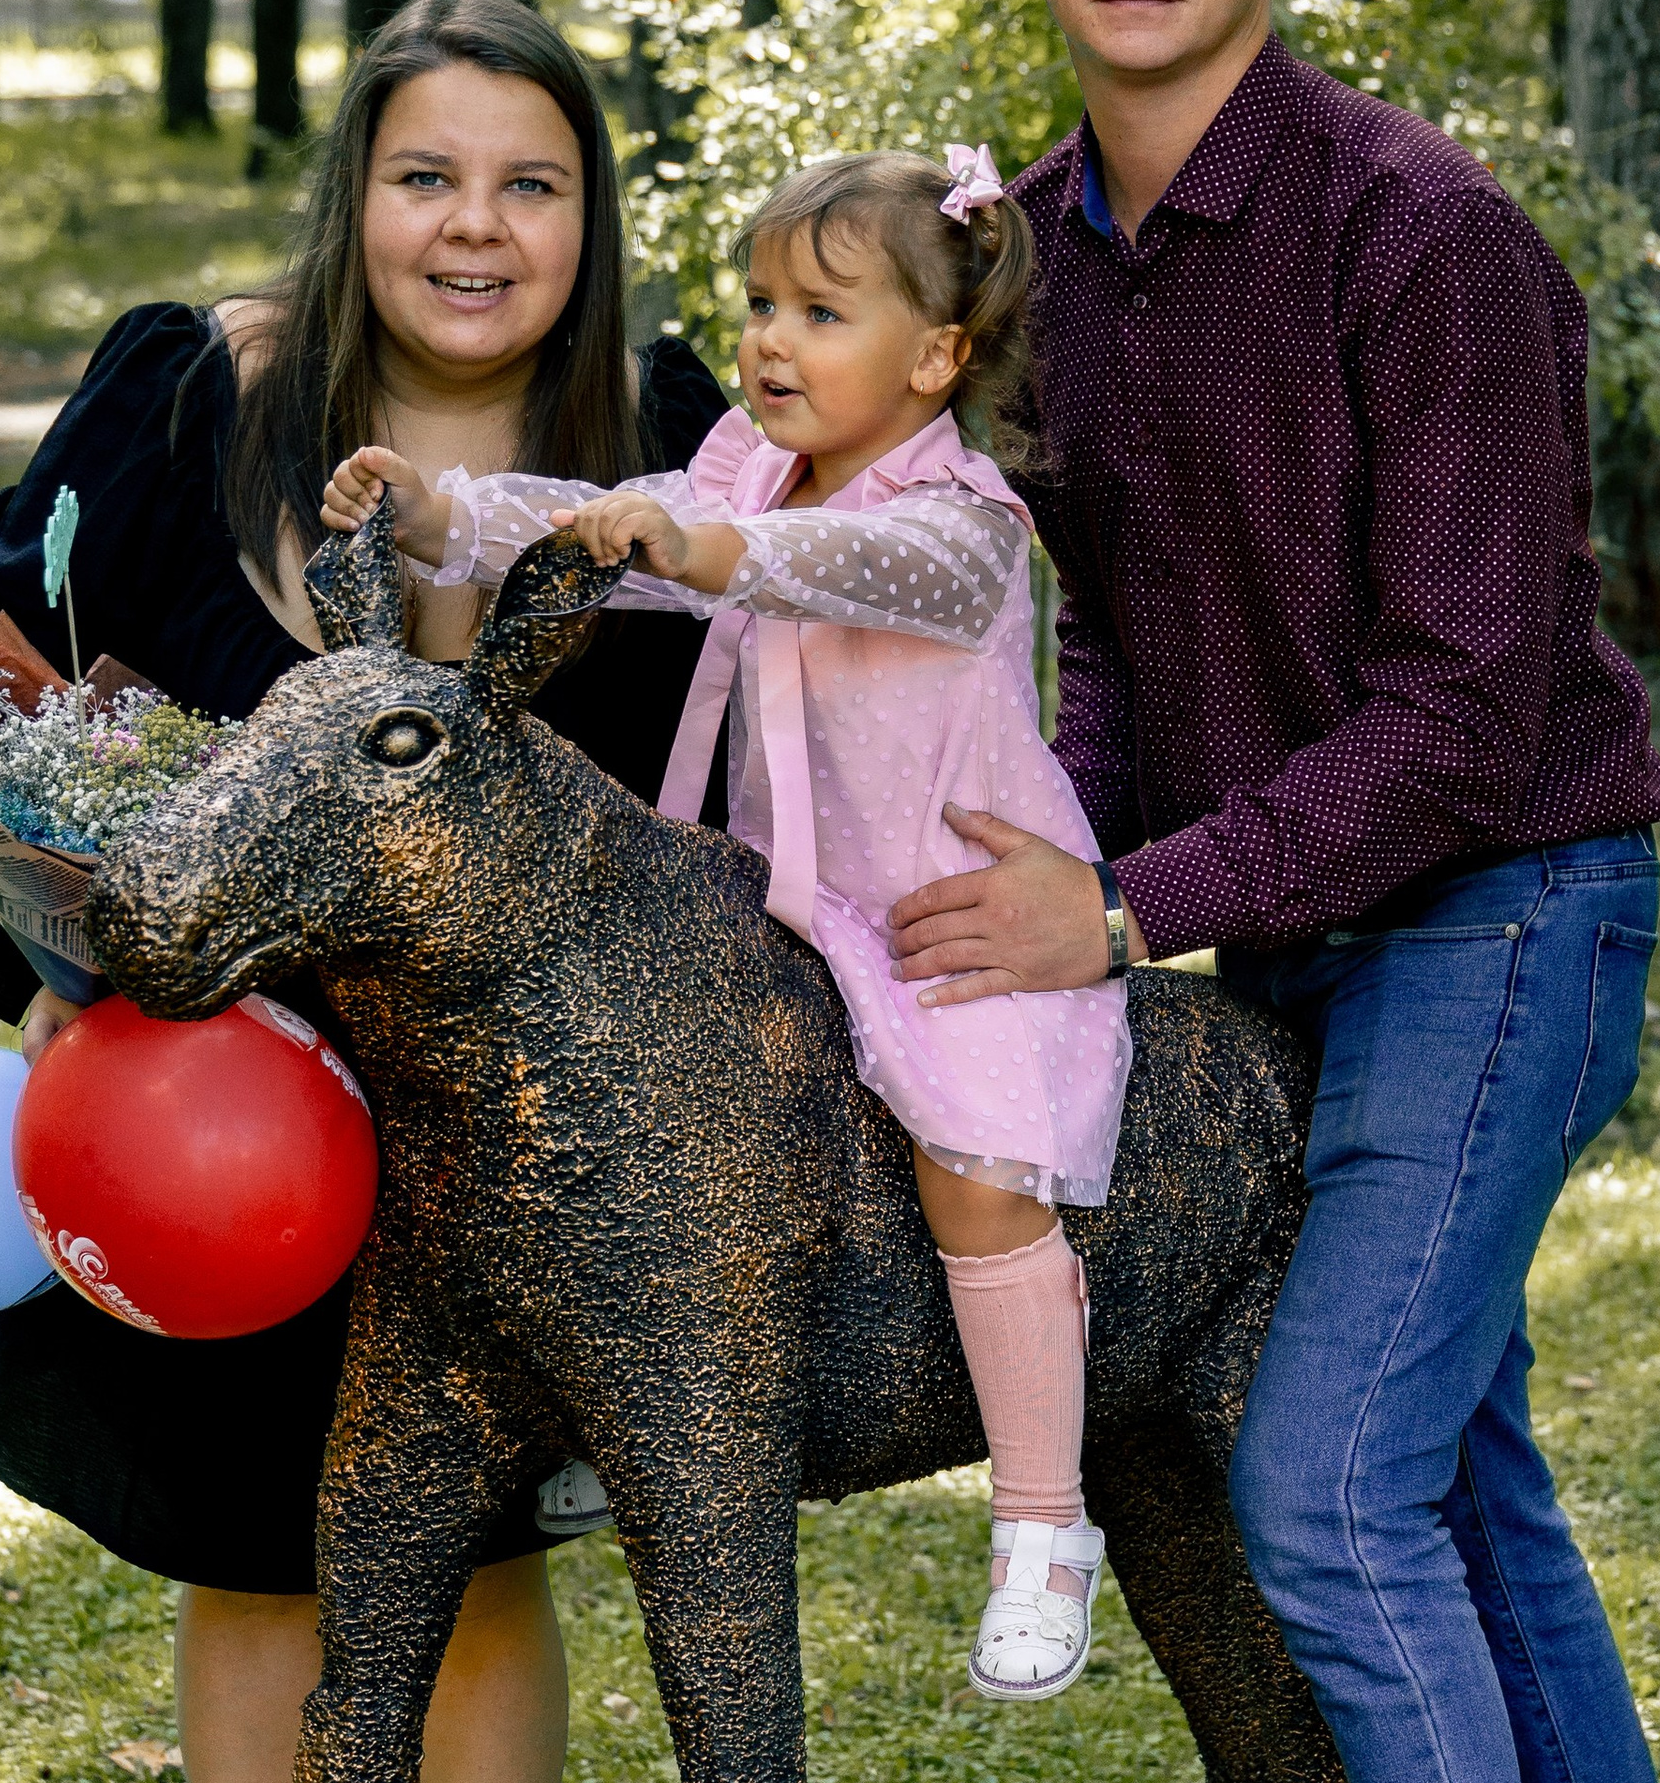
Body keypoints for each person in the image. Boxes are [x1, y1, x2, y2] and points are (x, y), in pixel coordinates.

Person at [889, 0, 1660, 1783]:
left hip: (1507, 909)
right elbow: (1108, 637)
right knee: (1466, 1466)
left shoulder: (1428, 239)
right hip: (1286, 934)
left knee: (1335, 1484)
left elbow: (1470, 712)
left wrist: (1132, 905)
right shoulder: (1026, 258)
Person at [0, 0, 731, 1783]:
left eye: (527, 184)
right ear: (355, 191)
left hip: (500, 1146)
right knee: (252, 1567)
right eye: (425, 177)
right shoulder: (199, 386)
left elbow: (740, 776)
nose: (472, 229)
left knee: (468, 1579)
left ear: (588, 217)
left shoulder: (667, 445)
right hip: (213, 1126)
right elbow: (2, 634)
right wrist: (57, 839)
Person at [323, 147, 1133, 1701]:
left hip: (943, 909)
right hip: (775, 893)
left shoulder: (958, 521)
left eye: (821, 314)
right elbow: (613, 516)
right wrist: (449, 511)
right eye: (761, 302)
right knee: (635, 1122)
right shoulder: (745, 467)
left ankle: (1043, 1519)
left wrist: (703, 552)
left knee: (977, 1172)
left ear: (936, 357)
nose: (769, 340)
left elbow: (840, 569)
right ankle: (595, 1421)